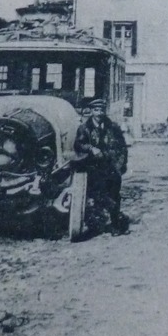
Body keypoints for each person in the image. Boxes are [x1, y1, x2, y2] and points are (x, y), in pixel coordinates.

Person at [74, 97, 129, 235]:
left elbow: (122, 147)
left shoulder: (113, 127)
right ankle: (108, 220)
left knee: (115, 194)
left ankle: (115, 226)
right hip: (94, 168)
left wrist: (121, 164)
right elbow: (78, 144)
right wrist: (91, 148)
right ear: (91, 111)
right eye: (96, 110)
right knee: (99, 194)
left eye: (102, 110)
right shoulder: (84, 128)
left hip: (112, 167)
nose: (99, 113)